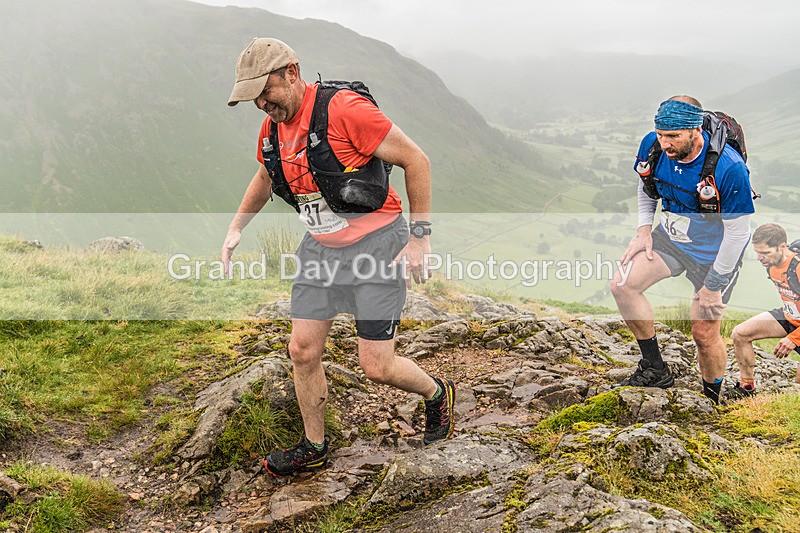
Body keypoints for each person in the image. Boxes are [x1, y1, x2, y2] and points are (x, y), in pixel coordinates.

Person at [222, 38, 455, 476]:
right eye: (252, 97)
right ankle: (314, 445)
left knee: (377, 367)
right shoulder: (272, 126)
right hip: (319, 250)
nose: (261, 103)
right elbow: (265, 174)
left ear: (292, 72)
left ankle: (437, 393)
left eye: (265, 91)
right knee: (302, 350)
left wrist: (420, 238)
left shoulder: (344, 109)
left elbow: (416, 160)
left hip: (376, 249)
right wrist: (236, 228)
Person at [610, 96, 755, 404]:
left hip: (715, 256)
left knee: (703, 333)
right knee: (623, 285)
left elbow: (738, 232)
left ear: (695, 130)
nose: (665, 143)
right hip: (673, 239)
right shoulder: (654, 145)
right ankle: (654, 367)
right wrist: (643, 231)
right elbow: (647, 184)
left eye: (673, 136)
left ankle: (711, 399)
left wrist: (714, 285)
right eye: (661, 134)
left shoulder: (729, 168)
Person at [729, 223, 800, 398]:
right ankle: (746, 388)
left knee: (797, 393)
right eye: (758, 253)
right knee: (740, 334)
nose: (760, 258)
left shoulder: (797, 267)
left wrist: (793, 338)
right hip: (789, 317)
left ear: (783, 247)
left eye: (766, 253)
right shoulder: (772, 263)